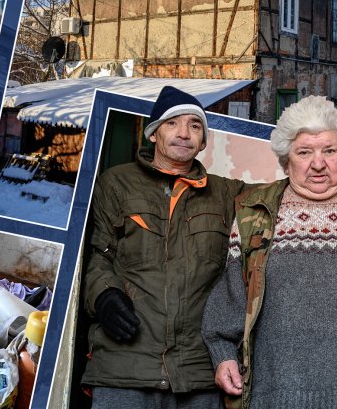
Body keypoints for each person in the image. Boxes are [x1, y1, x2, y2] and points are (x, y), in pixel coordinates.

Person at [82, 85, 245, 409]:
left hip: (199, 371)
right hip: (124, 366)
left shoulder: (227, 194)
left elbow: (291, 193)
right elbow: (98, 256)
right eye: (173, 123)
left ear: (203, 141)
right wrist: (105, 297)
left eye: (195, 126)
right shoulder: (116, 183)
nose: (184, 133)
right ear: (154, 133)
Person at [202, 95, 337, 408]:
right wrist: (223, 358)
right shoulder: (256, 214)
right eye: (305, 152)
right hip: (274, 394)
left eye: (330, 150)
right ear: (286, 161)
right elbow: (230, 298)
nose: (319, 163)